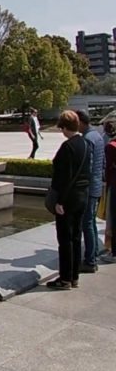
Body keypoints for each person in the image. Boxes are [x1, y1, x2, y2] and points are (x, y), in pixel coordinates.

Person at [47, 110, 91, 290]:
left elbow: (62, 177)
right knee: (76, 236)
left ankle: (65, 279)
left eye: (62, 128)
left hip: (68, 198)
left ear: (65, 127)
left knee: (64, 239)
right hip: (82, 195)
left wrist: (59, 202)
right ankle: (74, 277)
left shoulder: (67, 147)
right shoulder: (85, 143)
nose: (62, 131)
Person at [76, 110, 104, 273]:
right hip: (96, 185)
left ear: (81, 122)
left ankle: (90, 261)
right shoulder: (98, 136)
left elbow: (88, 166)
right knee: (91, 223)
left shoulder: (87, 139)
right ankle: (92, 255)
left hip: (88, 187)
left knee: (87, 224)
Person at [103, 120, 116, 263]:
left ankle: (114, 252)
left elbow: (107, 170)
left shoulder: (111, 147)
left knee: (113, 218)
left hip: (114, 185)